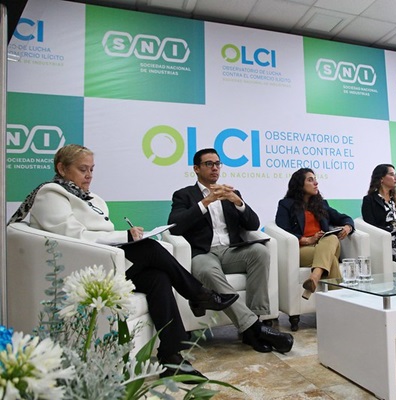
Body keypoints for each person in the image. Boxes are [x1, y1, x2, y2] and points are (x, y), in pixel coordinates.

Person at [9, 144, 239, 381]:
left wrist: (128, 235)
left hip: (105, 260)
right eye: (82, 169)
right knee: (150, 249)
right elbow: (73, 236)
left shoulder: (92, 198)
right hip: (79, 267)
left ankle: (172, 356)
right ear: (62, 168)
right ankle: (198, 294)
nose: (89, 175)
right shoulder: (51, 194)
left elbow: (100, 233)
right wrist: (125, 236)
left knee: (158, 278)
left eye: (91, 169)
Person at [168, 148, 293, 354]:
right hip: (203, 253)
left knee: (260, 252)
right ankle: (254, 330)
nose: (215, 168)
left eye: (217, 163)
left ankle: (256, 318)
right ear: (196, 168)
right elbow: (175, 226)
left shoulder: (231, 194)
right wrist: (206, 202)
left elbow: (253, 224)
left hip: (231, 251)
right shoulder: (184, 195)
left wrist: (238, 202)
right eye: (209, 164)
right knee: (206, 271)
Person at [275, 168, 354, 304]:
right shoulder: (286, 204)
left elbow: (344, 218)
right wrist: (307, 240)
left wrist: (348, 227)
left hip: (325, 245)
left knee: (331, 238)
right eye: (310, 180)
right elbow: (283, 229)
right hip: (303, 249)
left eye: (315, 180)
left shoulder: (321, 204)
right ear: (300, 184)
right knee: (331, 260)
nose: (316, 183)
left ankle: (314, 277)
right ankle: (341, 305)